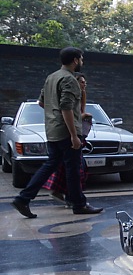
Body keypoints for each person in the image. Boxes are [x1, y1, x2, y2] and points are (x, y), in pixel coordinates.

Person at [11, 47, 102, 218]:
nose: (82, 62)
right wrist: (74, 135)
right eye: (81, 59)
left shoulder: (51, 77)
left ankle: (23, 199)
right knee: (73, 169)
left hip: (52, 130)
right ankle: (78, 204)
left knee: (50, 165)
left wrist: (54, 116)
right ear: (75, 60)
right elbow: (66, 107)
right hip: (67, 132)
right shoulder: (69, 79)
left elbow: (41, 102)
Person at [43, 72, 91, 204]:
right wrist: (75, 132)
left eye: (85, 82)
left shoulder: (81, 95)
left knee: (73, 167)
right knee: (71, 167)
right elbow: (68, 111)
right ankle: (72, 199)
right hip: (68, 134)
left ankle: (70, 197)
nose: (84, 84)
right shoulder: (68, 89)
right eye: (81, 81)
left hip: (78, 133)